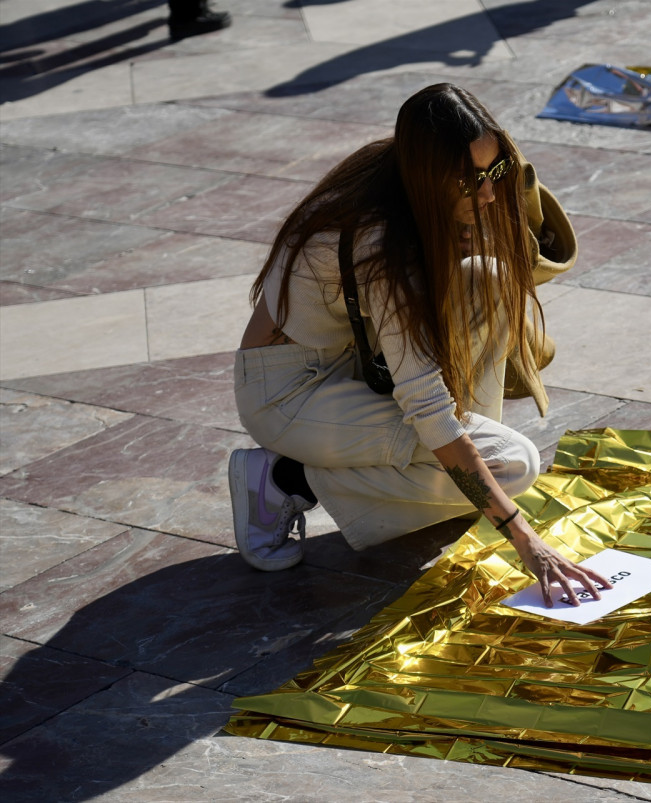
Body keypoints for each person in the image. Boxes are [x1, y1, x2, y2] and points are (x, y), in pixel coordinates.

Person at [228, 84, 609, 607]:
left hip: (355, 359)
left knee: (488, 277)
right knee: (512, 463)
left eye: (496, 170)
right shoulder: (376, 240)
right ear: (429, 174)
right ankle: (286, 478)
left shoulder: (399, 177)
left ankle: (457, 474)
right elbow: (426, 403)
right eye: (471, 180)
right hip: (289, 392)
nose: (489, 193)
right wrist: (524, 538)